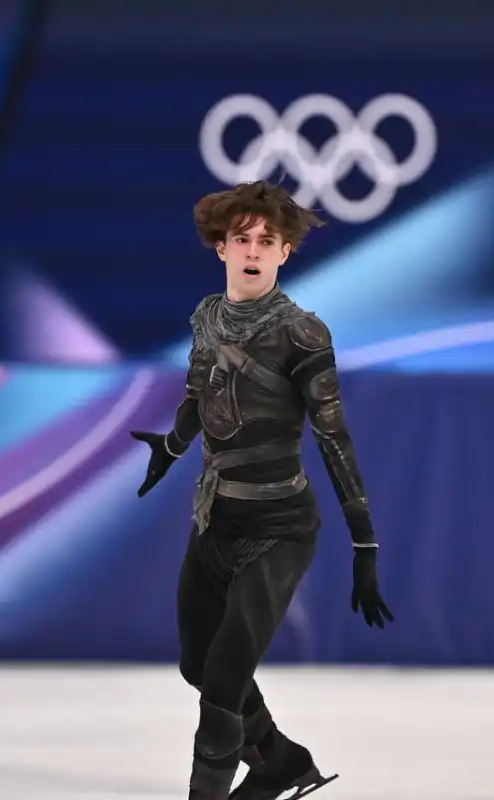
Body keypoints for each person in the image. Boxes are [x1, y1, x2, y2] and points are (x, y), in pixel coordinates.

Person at [131, 181, 394, 800]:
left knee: (223, 685)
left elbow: (334, 438)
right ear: (221, 247)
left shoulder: (302, 333)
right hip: (214, 522)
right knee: (197, 666)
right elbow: (200, 394)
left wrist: (365, 545)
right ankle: (281, 761)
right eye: (242, 239)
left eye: (267, 240)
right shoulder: (207, 317)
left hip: (279, 529)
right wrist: (171, 448)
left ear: (285, 252)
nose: (253, 250)